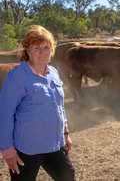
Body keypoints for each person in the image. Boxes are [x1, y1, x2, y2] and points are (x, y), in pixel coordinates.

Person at [0, 25, 75, 181]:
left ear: (52, 49)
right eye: (36, 48)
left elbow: (59, 106)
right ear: (27, 51)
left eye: (46, 47)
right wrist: (7, 149)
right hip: (27, 149)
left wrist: (66, 133)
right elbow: (5, 113)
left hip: (55, 144)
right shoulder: (17, 76)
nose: (42, 52)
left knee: (68, 176)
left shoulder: (53, 72)